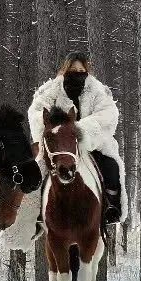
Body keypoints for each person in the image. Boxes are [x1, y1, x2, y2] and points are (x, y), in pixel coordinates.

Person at [28, 51, 126, 224]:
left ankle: (111, 206)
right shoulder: (52, 90)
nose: (77, 73)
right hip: (59, 145)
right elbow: (36, 111)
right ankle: (36, 209)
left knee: (110, 167)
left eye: (81, 70)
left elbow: (108, 114)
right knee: (39, 170)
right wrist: (57, 128)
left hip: (90, 145)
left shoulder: (98, 91)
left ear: (87, 70)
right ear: (65, 69)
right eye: (73, 69)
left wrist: (81, 129)